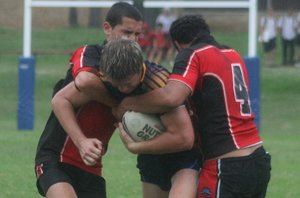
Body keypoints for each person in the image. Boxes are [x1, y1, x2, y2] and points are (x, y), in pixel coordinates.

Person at [114, 15, 272, 198]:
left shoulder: (193, 54)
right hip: (258, 159)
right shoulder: (233, 54)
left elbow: (171, 97)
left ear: (177, 44)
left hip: (226, 164)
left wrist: (128, 103)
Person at [34, 2, 142, 197]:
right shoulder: (92, 54)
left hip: (91, 164)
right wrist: (118, 104)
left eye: (137, 35)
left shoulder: (136, 70)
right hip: (56, 156)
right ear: (107, 29)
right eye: (127, 32)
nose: (133, 39)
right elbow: (83, 82)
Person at [99, 38, 202, 198]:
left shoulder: (159, 82)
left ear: (139, 68)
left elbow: (184, 139)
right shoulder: (106, 76)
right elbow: (71, 92)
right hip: (151, 159)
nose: (123, 89)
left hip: (184, 158)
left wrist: (135, 147)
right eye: (117, 85)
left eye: (127, 83)